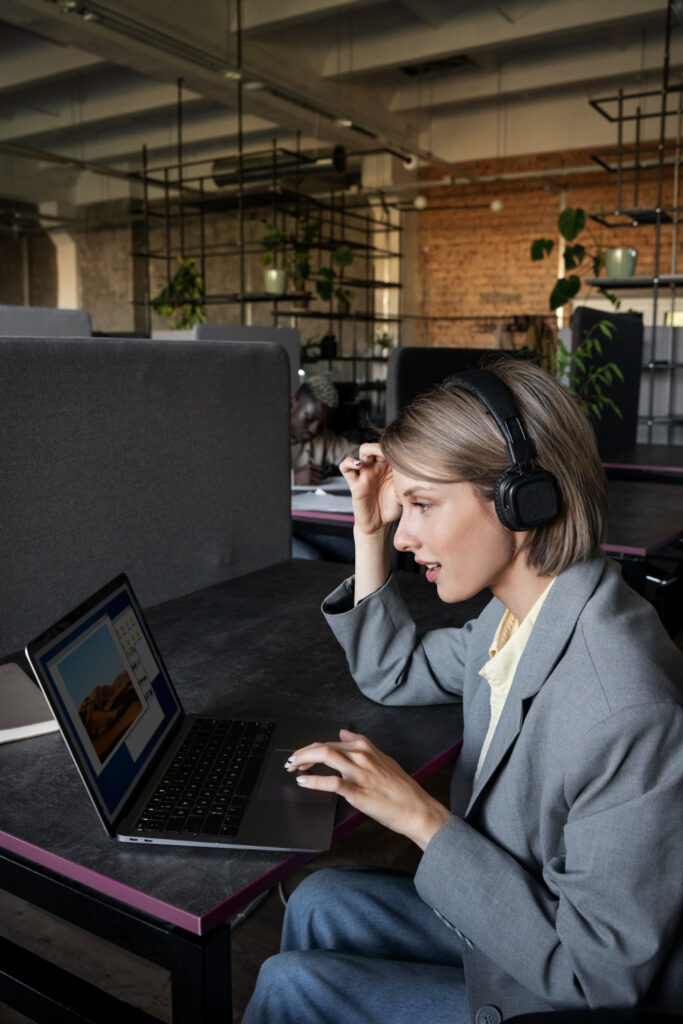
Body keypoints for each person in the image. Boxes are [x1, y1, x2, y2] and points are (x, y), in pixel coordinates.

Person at [243, 358, 683, 1023]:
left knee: (289, 986)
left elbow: (595, 977)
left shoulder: (621, 707)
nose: (405, 533)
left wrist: (420, 818)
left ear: (521, 498)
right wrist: (368, 532)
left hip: (566, 993)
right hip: (520, 917)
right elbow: (392, 671)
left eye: (421, 504)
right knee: (318, 898)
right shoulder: (518, 617)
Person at [290, 375, 357, 486]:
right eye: (310, 418)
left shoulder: (324, 438)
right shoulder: (266, 433)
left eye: (322, 425)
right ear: (293, 404)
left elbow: (356, 454)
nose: (314, 430)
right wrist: (293, 480)